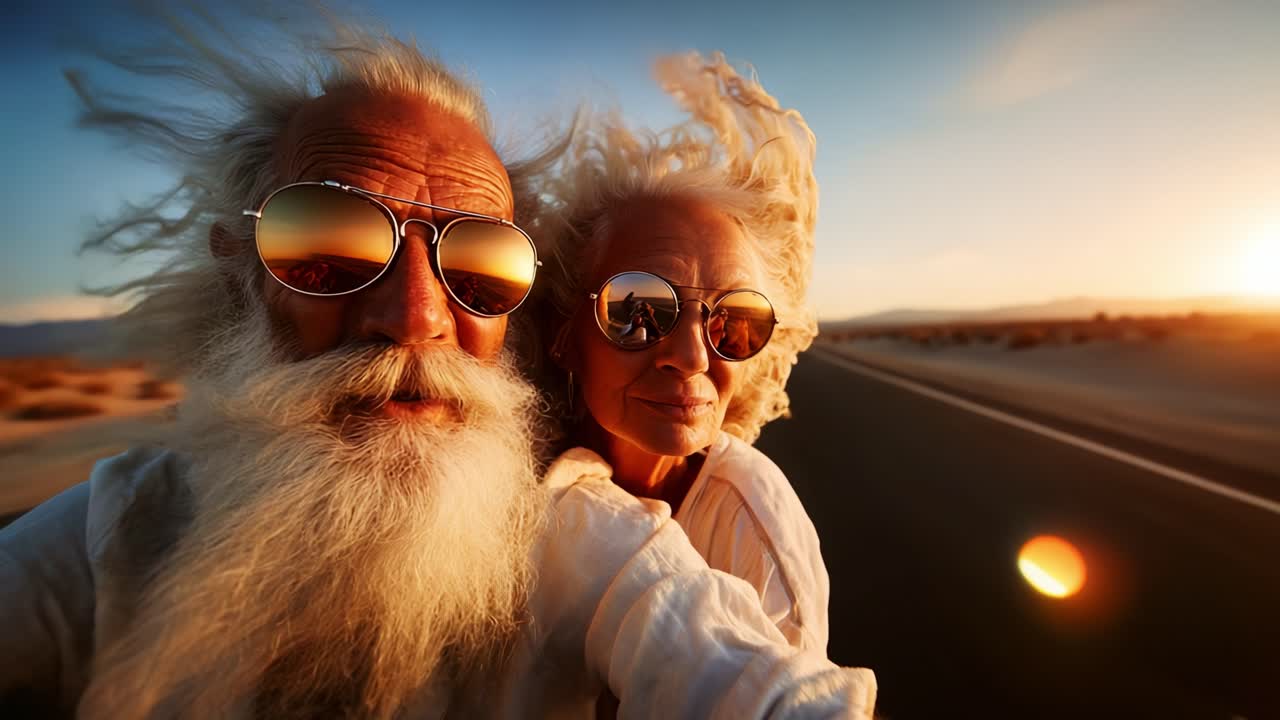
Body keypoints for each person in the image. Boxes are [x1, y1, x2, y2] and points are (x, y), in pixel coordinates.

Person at [0, 7, 877, 718]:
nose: (417, 316)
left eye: (477, 267)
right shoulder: (117, 534)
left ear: (518, 315)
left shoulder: (572, 534)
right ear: (239, 274)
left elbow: (754, 685)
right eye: (329, 246)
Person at [537, 53, 829, 651]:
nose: (693, 356)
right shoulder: (490, 478)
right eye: (637, 308)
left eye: (735, 320)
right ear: (565, 335)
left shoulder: (754, 529)